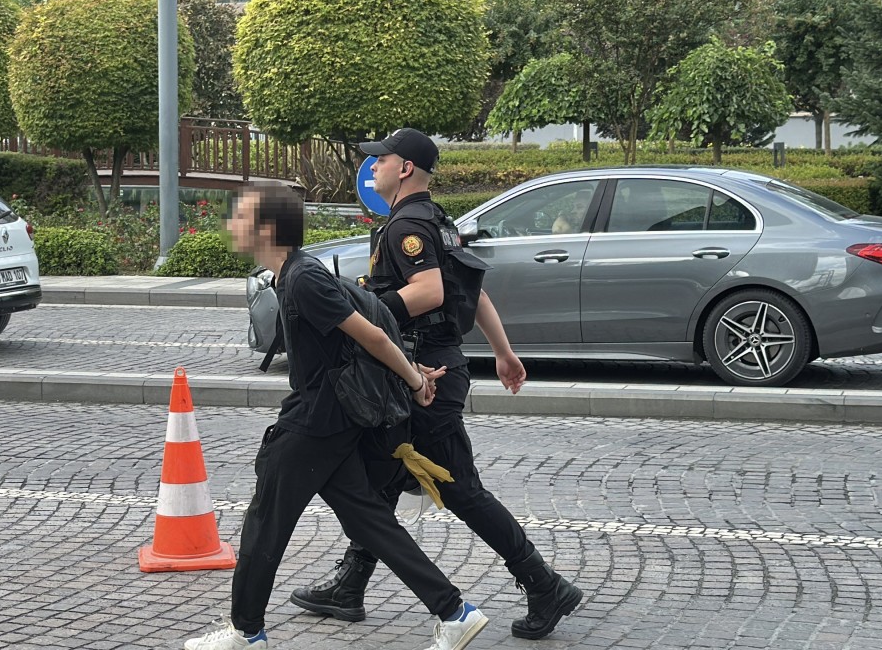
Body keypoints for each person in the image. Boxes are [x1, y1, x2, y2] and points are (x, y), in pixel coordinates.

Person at [289, 128, 584, 641]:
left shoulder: (407, 224)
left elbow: (430, 292)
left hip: (427, 374)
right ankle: (350, 583)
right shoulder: (437, 221)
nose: (372, 167)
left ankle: (542, 583)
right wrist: (504, 352)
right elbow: (473, 294)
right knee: (378, 477)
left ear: (404, 169)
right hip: (434, 366)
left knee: (454, 489)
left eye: (380, 160)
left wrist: (364, 314)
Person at [183, 182, 489, 650]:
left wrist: (414, 380)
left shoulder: (303, 277)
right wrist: (411, 374)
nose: (231, 227)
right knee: (369, 520)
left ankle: (246, 633)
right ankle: (455, 612)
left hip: (316, 420)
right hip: (334, 416)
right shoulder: (297, 272)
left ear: (266, 229)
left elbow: (373, 337)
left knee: (266, 519)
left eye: (239, 218)